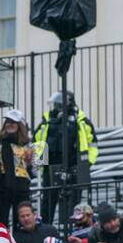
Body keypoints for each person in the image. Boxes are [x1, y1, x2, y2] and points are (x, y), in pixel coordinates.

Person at [33, 91, 99, 226]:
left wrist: (87, 164)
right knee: (48, 203)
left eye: (58, 105)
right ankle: (46, 229)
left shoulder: (81, 121)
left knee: (73, 203)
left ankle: (71, 231)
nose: (55, 108)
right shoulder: (46, 122)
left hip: (73, 167)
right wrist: (40, 165)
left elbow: (93, 145)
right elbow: (37, 142)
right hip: (50, 169)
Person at [0, 110, 35, 226]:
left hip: (22, 186)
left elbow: (37, 171)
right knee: (1, 221)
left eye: (13, 122)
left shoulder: (29, 145)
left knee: (20, 223)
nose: (9, 124)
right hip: (2, 186)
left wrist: (31, 163)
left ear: (20, 125)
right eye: (7, 122)